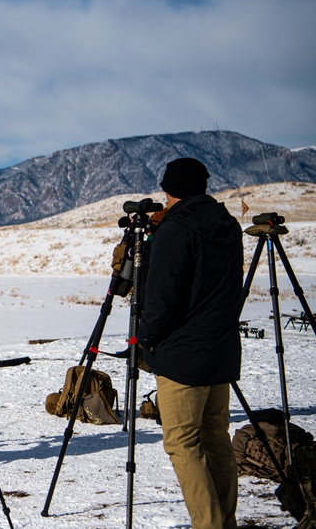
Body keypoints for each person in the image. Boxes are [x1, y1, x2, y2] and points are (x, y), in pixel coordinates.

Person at [137, 158, 243, 529]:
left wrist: (144, 338)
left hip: (183, 356)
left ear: (170, 189)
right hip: (220, 349)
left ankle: (209, 525)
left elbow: (162, 299)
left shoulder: (177, 230)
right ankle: (224, 520)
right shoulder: (227, 225)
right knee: (215, 437)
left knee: (182, 444)